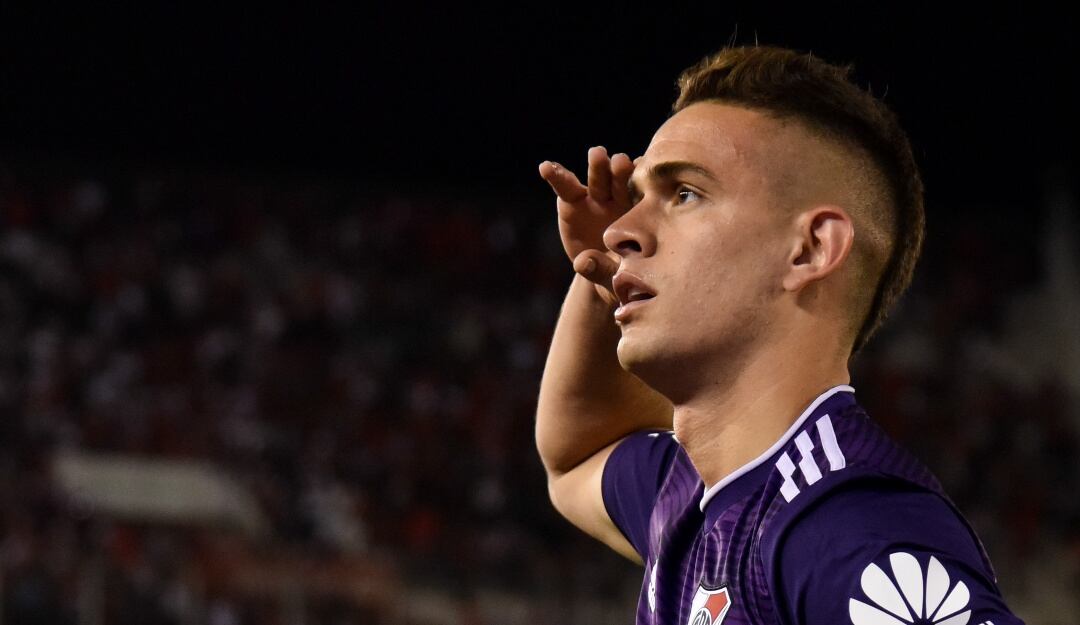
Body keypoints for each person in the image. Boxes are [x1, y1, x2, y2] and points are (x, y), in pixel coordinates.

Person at [535, 45, 1022, 625]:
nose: (619, 231)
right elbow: (575, 456)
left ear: (810, 249)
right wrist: (603, 279)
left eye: (685, 193)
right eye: (639, 201)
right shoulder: (693, 493)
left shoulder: (851, 535)